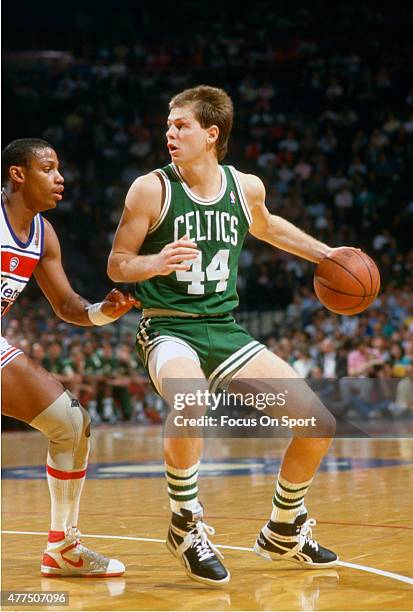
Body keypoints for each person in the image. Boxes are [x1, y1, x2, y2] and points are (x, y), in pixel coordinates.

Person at [108, 86, 345, 586]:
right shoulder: (150, 189)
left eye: (182, 126)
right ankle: (184, 521)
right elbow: (118, 263)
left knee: (318, 424)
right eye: (168, 126)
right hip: (168, 327)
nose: (169, 133)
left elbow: (269, 228)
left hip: (225, 330)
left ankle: (284, 527)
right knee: (191, 400)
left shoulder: (245, 188)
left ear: (211, 134)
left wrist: (328, 256)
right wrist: (154, 261)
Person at [1, 138, 139, 577]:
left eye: (59, 168)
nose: (60, 178)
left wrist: (103, 311)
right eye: (49, 168)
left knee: (72, 424)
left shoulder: (43, 234)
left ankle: (63, 547)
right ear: (17, 174)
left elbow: (66, 306)